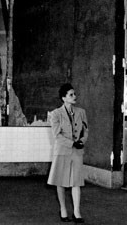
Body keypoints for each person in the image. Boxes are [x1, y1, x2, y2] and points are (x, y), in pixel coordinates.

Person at [47, 83, 88, 223]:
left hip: (76, 152)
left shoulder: (81, 112)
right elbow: (57, 135)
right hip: (63, 151)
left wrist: (81, 141)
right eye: (71, 94)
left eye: (74, 94)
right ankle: (63, 209)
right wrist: (72, 143)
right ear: (64, 98)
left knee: (76, 182)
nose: (74, 96)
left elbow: (85, 130)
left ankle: (77, 212)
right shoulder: (55, 114)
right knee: (61, 181)